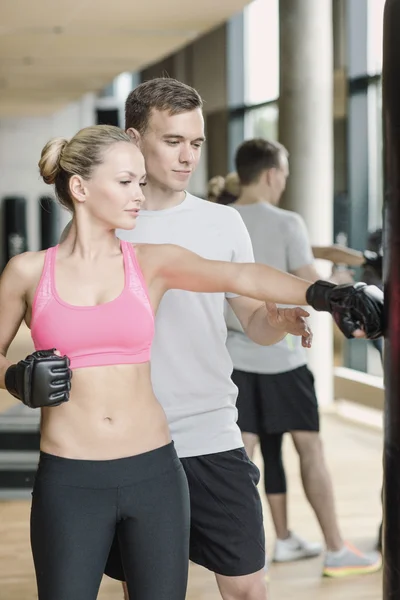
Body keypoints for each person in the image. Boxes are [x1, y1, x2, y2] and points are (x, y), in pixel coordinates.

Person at [60, 79, 383, 600]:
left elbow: (251, 317)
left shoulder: (222, 222)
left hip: (209, 430)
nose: (187, 157)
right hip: (130, 440)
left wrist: (277, 320)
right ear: (133, 137)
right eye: (172, 142)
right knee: (147, 590)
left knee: (248, 585)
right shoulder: (105, 223)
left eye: (196, 143)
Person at [226, 137, 383, 578]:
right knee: (310, 450)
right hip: (282, 360)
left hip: (234, 361)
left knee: (240, 461)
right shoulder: (287, 221)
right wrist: (339, 279)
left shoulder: (220, 220)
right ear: (273, 174)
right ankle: (335, 547)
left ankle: (241, 556)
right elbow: (313, 290)